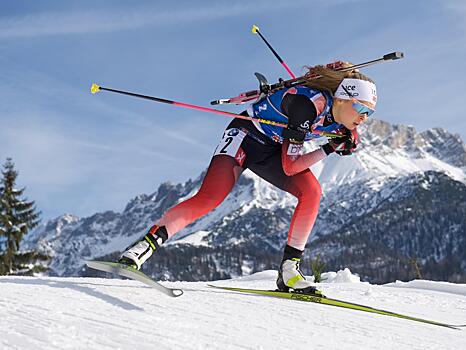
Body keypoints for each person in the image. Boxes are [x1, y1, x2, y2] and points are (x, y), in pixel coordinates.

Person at [118, 62, 377, 295]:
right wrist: (329, 148)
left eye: (370, 113)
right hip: (245, 137)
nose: (364, 118)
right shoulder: (307, 107)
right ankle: (142, 248)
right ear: (342, 99)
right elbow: (290, 166)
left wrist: (343, 141)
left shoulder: (343, 121)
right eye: (361, 109)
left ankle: (289, 271)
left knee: (312, 192)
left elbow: (329, 138)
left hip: (273, 149)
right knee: (209, 198)